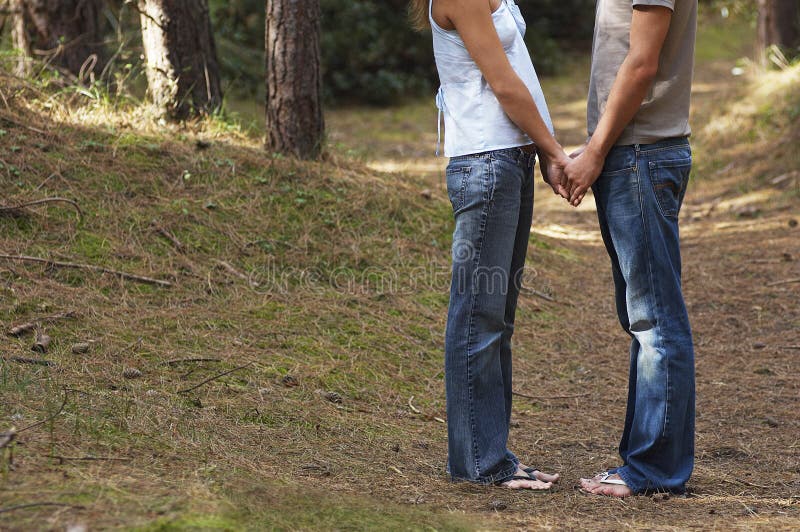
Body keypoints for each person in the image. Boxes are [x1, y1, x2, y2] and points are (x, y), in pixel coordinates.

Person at [408, 0, 569, 489]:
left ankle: (491, 453)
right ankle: (478, 461)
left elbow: (520, 70)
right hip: (485, 161)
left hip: (508, 159)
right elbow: (502, 84)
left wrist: (537, 148)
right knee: (478, 315)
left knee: (495, 318)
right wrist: (554, 149)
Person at [563, 0, 698, 497]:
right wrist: (599, 144)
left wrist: (597, 152)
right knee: (646, 318)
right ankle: (647, 463)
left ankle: (654, 470)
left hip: (641, 153)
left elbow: (642, 64)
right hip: (632, 151)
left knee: (655, 320)